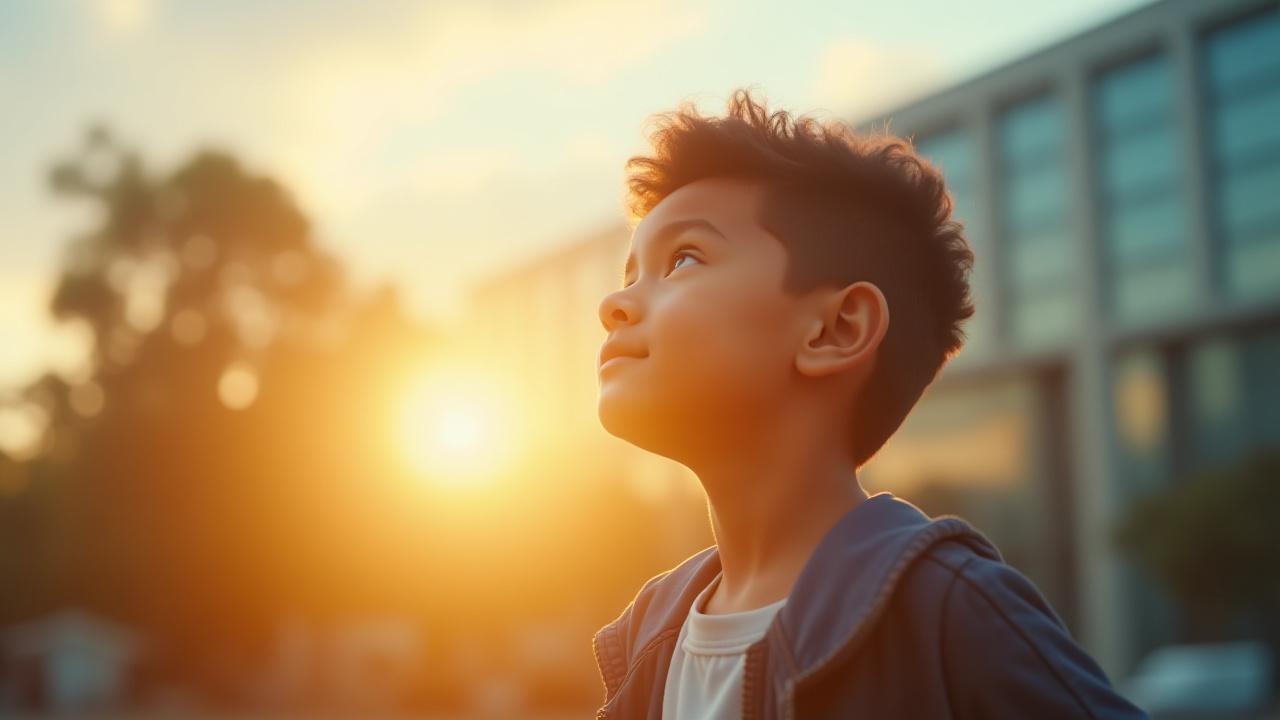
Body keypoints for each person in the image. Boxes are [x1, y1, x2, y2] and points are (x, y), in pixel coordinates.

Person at [590, 87, 1149, 719]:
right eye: (631, 274)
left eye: (684, 258)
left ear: (837, 330)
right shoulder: (650, 634)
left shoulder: (948, 611)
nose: (616, 303)